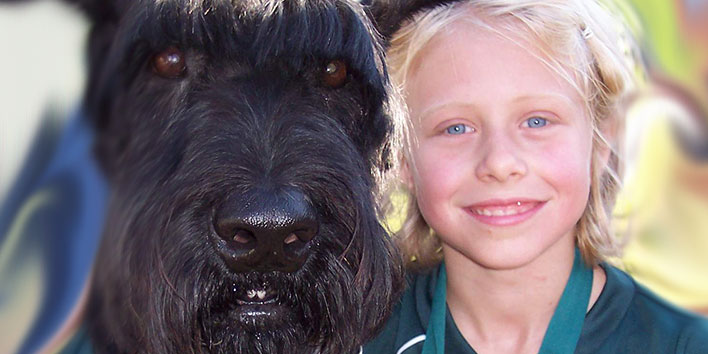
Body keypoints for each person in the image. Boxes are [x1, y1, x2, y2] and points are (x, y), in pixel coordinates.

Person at [363, 0, 708, 353]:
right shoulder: (354, 337)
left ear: (599, 144)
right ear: (399, 157)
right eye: (456, 128)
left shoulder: (683, 344)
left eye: (537, 121)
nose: (499, 162)